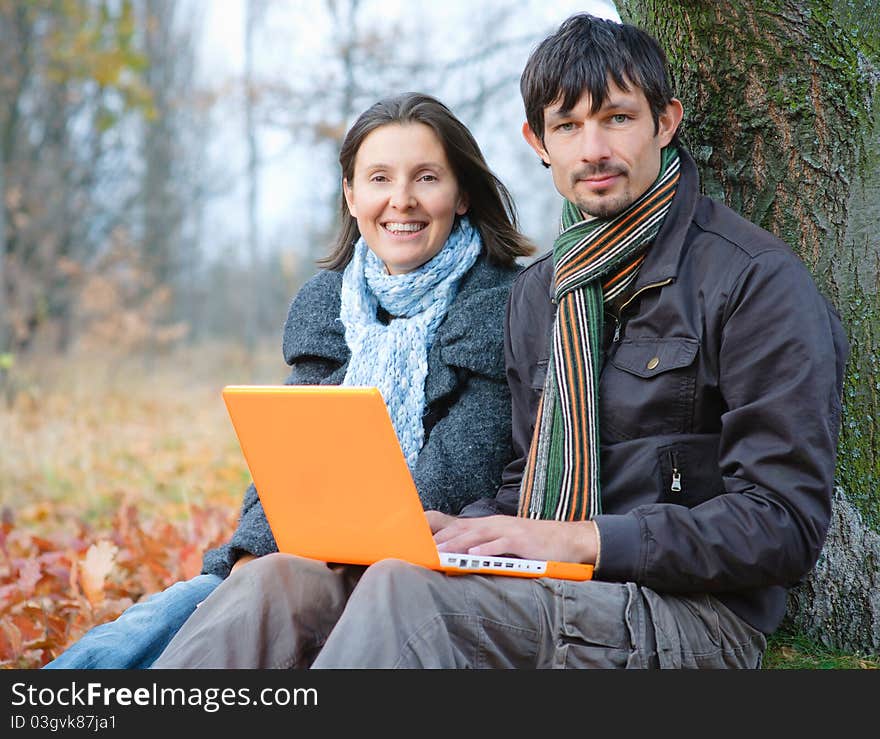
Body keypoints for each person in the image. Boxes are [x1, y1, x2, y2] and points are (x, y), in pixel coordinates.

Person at [251, 13, 845, 670]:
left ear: (665, 121)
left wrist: (580, 538)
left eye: (617, 118)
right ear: (538, 140)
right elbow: (523, 481)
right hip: (552, 586)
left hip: (690, 614)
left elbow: (783, 523)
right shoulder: (542, 293)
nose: (592, 149)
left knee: (404, 595)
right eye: (567, 126)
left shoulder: (754, 281)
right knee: (283, 582)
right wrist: (462, 527)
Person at [45, 92, 533, 670]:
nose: (401, 200)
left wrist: (301, 548)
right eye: (379, 178)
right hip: (302, 551)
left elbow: (460, 471)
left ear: (462, 194)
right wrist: (249, 554)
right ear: (351, 197)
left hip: (407, 576)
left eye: (426, 177)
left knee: (242, 602)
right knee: (159, 620)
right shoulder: (330, 305)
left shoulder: (501, 306)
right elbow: (284, 468)